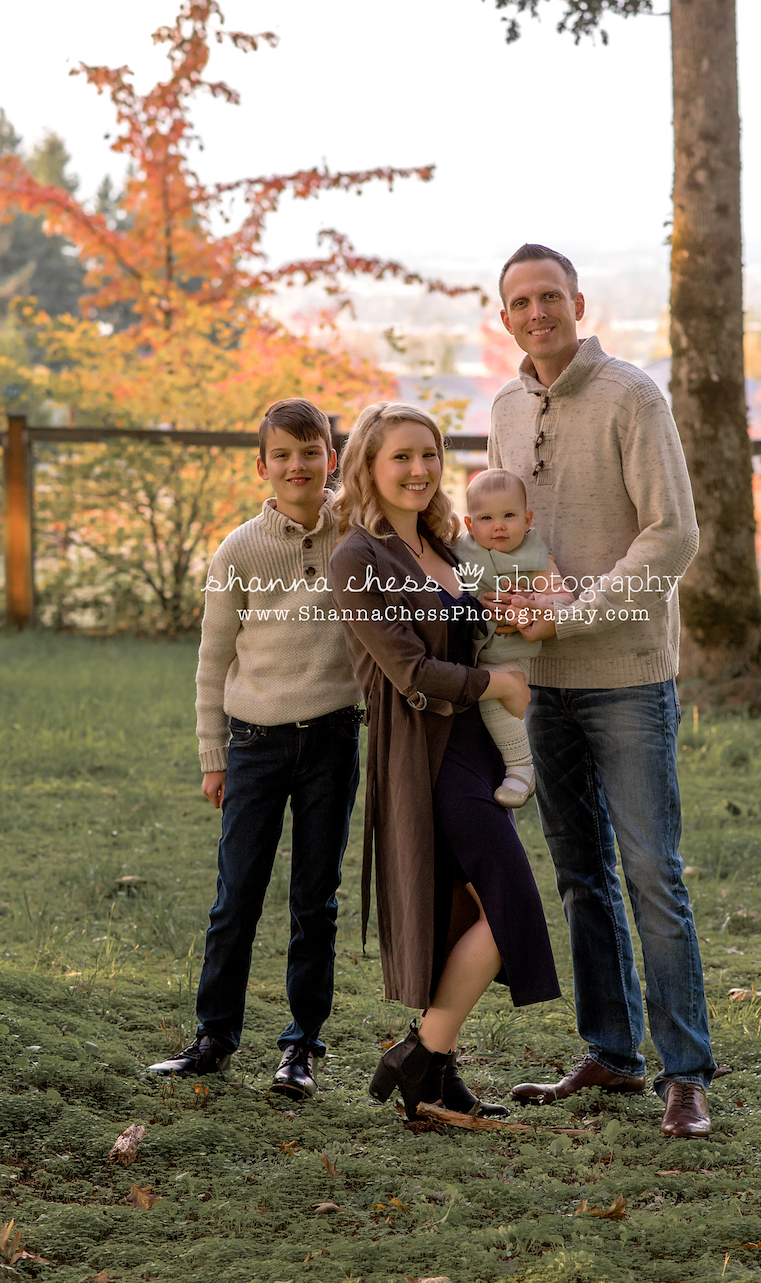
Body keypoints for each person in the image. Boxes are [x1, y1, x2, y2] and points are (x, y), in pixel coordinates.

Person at [486, 243, 717, 1138]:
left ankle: (685, 1073)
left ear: (578, 304)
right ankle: (611, 1053)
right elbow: (501, 534)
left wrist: (574, 614)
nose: (537, 313)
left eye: (550, 296)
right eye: (520, 302)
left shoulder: (632, 397)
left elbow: (672, 536)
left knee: (652, 874)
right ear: (504, 317)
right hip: (540, 684)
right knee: (581, 874)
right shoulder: (505, 408)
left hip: (624, 678)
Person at [329, 401, 560, 1120]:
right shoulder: (359, 558)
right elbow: (409, 672)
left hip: (477, 747)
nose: (418, 469)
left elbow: (477, 624)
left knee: (464, 911)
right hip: (423, 754)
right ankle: (419, 1054)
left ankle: (434, 1075)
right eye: (400, 456)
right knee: (509, 901)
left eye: (428, 454)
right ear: (367, 466)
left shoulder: (447, 545)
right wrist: (498, 683)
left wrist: (522, 608)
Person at [148, 398, 361, 1101]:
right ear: (262, 465)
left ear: (332, 458)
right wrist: (213, 755)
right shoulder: (238, 550)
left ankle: (301, 1047)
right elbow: (213, 659)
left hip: (332, 738)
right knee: (235, 896)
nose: (298, 465)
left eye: (311, 451)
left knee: (314, 901)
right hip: (253, 743)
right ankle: (214, 1037)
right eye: (283, 454)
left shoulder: (358, 537)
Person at [454, 467, 571, 807]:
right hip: (470, 648)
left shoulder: (533, 555)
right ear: (469, 524)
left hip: (510, 647)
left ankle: (521, 766)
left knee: (494, 697)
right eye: (486, 518)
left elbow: (564, 597)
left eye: (509, 516)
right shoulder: (460, 551)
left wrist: (538, 602)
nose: (499, 526)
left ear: (527, 518)